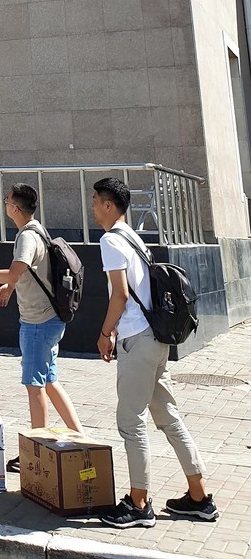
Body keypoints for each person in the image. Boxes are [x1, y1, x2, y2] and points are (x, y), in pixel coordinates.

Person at [91, 177, 218, 527]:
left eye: (95, 200)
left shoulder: (110, 241)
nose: (92, 206)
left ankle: (138, 504)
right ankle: (199, 497)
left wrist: (106, 333)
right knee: (168, 417)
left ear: (108, 205)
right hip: (157, 338)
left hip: (136, 339)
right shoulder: (133, 237)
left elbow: (119, 295)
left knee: (131, 422)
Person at [0, 182, 83, 471]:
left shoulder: (27, 236)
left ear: (14, 208)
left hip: (37, 322)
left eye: (7, 201)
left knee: (35, 385)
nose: (5, 205)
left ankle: (36, 452)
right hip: (49, 318)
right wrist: (9, 288)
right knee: (49, 381)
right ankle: (79, 436)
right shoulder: (38, 229)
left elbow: (18, 269)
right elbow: (30, 273)